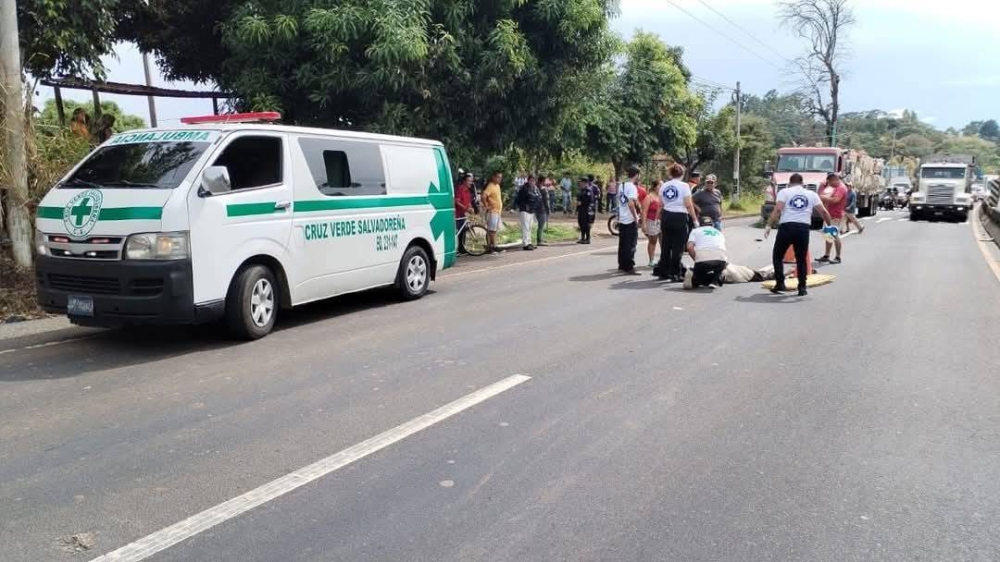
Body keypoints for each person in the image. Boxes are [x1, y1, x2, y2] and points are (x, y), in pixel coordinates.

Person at [764, 173, 834, 296]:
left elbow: (778, 209)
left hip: (786, 227)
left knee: (778, 256)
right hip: (803, 228)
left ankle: (780, 283)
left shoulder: (784, 192)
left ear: (790, 183)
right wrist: (829, 226)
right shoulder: (811, 194)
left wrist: (769, 225)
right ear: (803, 183)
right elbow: (824, 212)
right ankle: (802, 287)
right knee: (801, 259)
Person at [655, 164, 700, 282]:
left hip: (666, 216)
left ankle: (663, 272)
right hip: (679, 217)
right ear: (682, 174)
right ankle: (675, 273)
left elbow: (660, 205)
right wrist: (695, 220)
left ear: (671, 173)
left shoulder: (664, 186)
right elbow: (688, 205)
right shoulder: (684, 186)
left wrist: (657, 218)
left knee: (666, 246)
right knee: (678, 247)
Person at [684, 216, 729, 290]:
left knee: (699, 278)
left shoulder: (695, 231)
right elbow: (722, 248)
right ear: (712, 224)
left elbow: (689, 247)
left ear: (700, 224)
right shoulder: (719, 233)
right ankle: (716, 280)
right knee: (722, 266)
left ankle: (695, 278)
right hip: (720, 259)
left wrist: (696, 259)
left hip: (702, 261)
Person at [616, 165, 642, 273]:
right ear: (637, 175)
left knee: (622, 243)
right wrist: (636, 218)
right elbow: (631, 204)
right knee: (631, 244)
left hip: (622, 217)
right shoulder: (632, 187)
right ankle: (629, 266)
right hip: (630, 219)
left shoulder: (621, 185)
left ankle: (622, 264)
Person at [818, 172, 848, 263]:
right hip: (830, 214)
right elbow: (825, 194)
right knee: (828, 235)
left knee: (834, 235)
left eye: (830, 182)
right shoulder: (834, 188)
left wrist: (821, 197)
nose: (829, 185)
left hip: (836, 215)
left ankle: (838, 257)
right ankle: (826, 255)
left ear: (834, 180)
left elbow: (835, 200)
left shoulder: (841, 188)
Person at [515, 175, 543, 251]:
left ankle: (529, 242)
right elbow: (518, 199)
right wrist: (522, 206)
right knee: (525, 227)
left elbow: (539, 198)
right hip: (525, 210)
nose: (532, 182)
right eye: (531, 180)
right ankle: (525, 244)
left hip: (532, 210)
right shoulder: (524, 188)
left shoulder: (536, 189)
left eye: (534, 180)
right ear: (528, 180)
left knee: (530, 227)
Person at [482, 171, 504, 254]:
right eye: (498, 177)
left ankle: (492, 245)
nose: (499, 179)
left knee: (494, 229)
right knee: (492, 230)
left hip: (497, 211)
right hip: (492, 211)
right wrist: (486, 205)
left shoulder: (497, 186)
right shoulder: (490, 186)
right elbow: (484, 195)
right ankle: (492, 246)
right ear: (493, 177)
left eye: (500, 178)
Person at [641, 180, 662, 267]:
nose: (661, 187)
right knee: (653, 241)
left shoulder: (662, 197)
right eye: (660, 185)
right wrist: (644, 224)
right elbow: (644, 211)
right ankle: (651, 260)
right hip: (651, 221)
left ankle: (663, 260)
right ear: (655, 187)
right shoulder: (649, 197)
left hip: (661, 221)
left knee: (663, 242)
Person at [455, 173, 474, 255]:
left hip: (463, 215)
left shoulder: (468, 191)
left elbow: (469, 202)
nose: (470, 183)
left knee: (463, 231)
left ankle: (462, 249)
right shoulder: (460, 189)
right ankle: (460, 250)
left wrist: (471, 208)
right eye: (469, 181)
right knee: (460, 232)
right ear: (464, 181)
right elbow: (456, 201)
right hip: (458, 214)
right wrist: (466, 208)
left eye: (471, 181)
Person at [576, 177, 597, 244]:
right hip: (581, 209)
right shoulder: (582, 190)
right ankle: (582, 238)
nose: (580, 183)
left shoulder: (588, 190)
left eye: (581, 182)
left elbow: (590, 200)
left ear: (585, 182)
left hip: (586, 209)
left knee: (586, 224)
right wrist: (577, 208)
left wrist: (582, 203)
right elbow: (579, 199)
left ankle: (587, 238)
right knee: (581, 223)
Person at [535, 175, 552, 247]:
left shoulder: (535, 188)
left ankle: (540, 238)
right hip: (542, 209)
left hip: (536, 208)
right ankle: (539, 240)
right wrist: (548, 209)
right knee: (541, 226)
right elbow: (546, 201)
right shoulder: (543, 189)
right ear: (543, 181)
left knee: (540, 225)